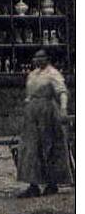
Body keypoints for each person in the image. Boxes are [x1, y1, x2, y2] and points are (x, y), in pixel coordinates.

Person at [16, 49, 73, 197]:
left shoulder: (52, 73)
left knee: (49, 146)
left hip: (48, 112)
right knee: (30, 148)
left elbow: (62, 92)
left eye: (41, 57)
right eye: (36, 57)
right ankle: (33, 184)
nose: (38, 60)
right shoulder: (33, 75)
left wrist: (63, 109)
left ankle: (51, 183)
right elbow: (29, 94)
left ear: (47, 58)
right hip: (32, 113)